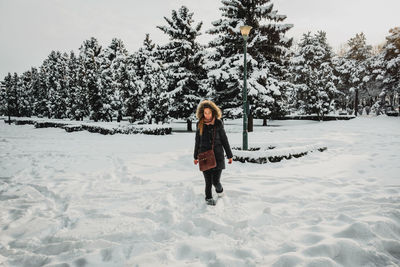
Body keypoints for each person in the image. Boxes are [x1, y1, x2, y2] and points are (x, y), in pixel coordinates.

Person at [193, 100, 233, 205]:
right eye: (205, 113)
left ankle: (220, 193)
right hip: (204, 156)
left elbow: (224, 139)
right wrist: (195, 156)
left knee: (216, 181)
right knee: (208, 182)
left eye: (209, 113)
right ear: (202, 113)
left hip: (218, 156)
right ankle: (208, 199)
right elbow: (197, 141)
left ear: (213, 112)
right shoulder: (200, 124)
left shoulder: (218, 123)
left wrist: (229, 155)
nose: (207, 115)